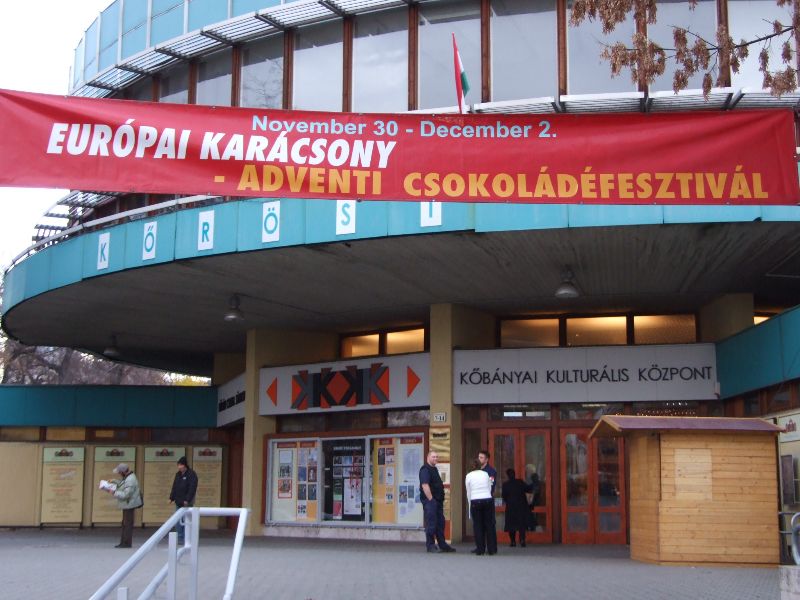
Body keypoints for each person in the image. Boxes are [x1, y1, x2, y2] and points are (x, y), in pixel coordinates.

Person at [418, 450, 456, 553]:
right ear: (428, 458)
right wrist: (431, 500)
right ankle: (430, 546)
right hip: (431, 501)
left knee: (440, 523)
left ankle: (442, 545)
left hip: (437, 501)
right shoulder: (425, 469)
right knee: (431, 523)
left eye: (437, 457)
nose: (436, 458)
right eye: (433, 457)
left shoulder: (434, 469)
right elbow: (425, 485)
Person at [106, 463, 142, 548]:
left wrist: (114, 492)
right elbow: (123, 485)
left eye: (119, 472)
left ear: (123, 472)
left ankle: (126, 543)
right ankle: (124, 542)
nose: (118, 473)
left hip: (129, 504)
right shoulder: (128, 477)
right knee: (125, 523)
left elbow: (126, 494)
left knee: (127, 524)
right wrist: (114, 481)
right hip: (128, 504)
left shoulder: (130, 480)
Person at [465, 459, 497, 556]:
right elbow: (489, 487)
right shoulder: (485, 474)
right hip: (487, 499)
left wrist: (470, 504)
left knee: (478, 525)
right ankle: (491, 549)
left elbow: (468, 491)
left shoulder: (469, 476)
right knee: (489, 525)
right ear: (480, 466)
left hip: (475, 500)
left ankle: (480, 549)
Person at [169, 456, 198, 544]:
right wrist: (171, 497)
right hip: (178, 501)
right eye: (178, 465)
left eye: (181, 465)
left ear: (185, 465)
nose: (179, 467)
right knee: (178, 520)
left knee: (186, 520)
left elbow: (192, 488)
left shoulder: (191, 474)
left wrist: (187, 500)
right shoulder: (178, 474)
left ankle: (187, 538)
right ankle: (180, 537)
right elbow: (174, 487)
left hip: (187, 502)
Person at [501, 468, 529, 547]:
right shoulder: (520, 482)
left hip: (511, 507)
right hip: (520, 506)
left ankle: (513, 541)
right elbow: (528, 489)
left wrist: (508, 501)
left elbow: (504, 496)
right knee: (521, 524)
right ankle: (522, 540)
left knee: (511, 525)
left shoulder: (505, 485)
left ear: (507, 476)